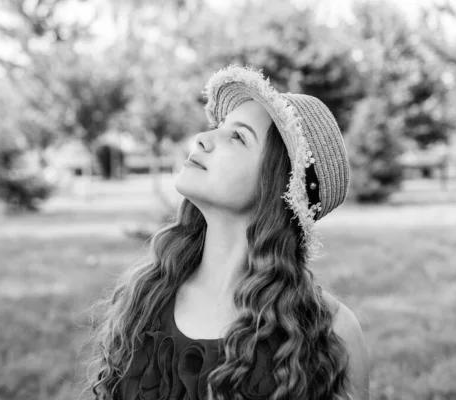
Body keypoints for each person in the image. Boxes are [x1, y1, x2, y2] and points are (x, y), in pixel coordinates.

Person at [88, 65, 370, 400]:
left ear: (280, 184)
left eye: (237, 136)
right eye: (219, 127)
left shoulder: (330, 331)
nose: (203, 139)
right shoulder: (146, 297)